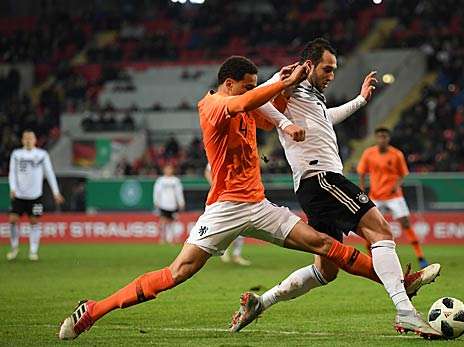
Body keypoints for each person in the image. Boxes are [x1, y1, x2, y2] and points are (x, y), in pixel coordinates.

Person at [58, 56, 441, 340]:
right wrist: (278, 81)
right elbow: (244, 104)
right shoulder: (213, 105)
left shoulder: (245, 101)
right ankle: (93, 310)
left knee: (326, 245)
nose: (250, 92)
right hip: (224, 208)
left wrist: (287, 123)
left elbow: (265, 111)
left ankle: (398, 286)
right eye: (246, 85)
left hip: (257, 206)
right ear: (229, 83)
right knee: (177, 274)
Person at [230, 38, 441, 336]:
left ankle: (260, 302)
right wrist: (284, 124)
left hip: (314, 185)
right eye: (327, 69)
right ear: (309, 65)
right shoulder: (289, 79)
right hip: (321, 177)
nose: (331, 76)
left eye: (334, 70)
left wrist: (361, 100)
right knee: (380, 230)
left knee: (326, 271)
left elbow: (325, 119)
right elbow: (259, 98)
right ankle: (405, 309)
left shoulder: (311, 96)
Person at [357, 127, 430, 268]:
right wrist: (361, 188)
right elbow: (361, 171)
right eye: (379, 136)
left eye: (384, 136)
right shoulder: (369, 153)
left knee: (405, 223)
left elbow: (402, 174)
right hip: (376, 196)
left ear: (388, 138)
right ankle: (371, 259)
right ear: (376, 138)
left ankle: (420, 257)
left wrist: (396, 185)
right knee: (368, 226)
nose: (382, 139)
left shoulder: (396, 154)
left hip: (393, 196)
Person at [7, 129, 64, 261]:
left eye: (30, 138)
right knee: (13, 220)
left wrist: (56, 192)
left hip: (35, 195)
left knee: (34, 221)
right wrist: (13, 188)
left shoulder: (42, 154)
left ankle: (33, 250)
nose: (28, 140)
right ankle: (14, 248)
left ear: (35, 140)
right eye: (25, 138)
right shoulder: (16, 154)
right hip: (19, 195)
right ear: (22, 140)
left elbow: (49, 173)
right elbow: (12, 172)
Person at [204, 163, 251, 266]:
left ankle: (236, 255)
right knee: (223, 227)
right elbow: (207, 171)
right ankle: (223, 251)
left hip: (238, 195)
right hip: (222, 197)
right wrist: (215, 186)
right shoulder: (219, 154)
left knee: (241, 226)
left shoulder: (240, 157)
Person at [153, 164, 185, 244]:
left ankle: (173, 238)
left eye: (170, 169)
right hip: (163, 204)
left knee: (173, 222)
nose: (169, 171)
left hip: (173, 204)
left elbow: (179, 192)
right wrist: (156, 201)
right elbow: (156, 192)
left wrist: (181, 202)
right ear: (164, 170)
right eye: (167, 169)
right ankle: (162, 238)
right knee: (163, 221)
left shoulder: (176, 181)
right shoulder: (160, 180)